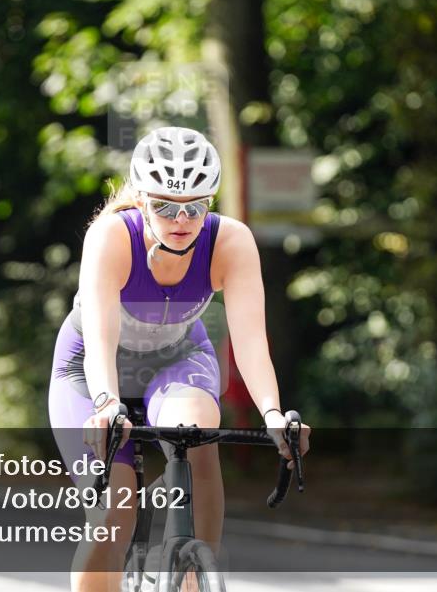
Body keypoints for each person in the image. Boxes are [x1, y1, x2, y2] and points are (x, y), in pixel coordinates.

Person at [47, 126, 311, 592]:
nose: (181, 218)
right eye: (165, 206)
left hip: (177, 358)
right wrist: (107, 404)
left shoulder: (231, 241)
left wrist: (273, 412)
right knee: (115, 510)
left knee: (196, 432)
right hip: (91, 368)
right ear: (141, 199)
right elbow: (102, 343)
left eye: (195, 205)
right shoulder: (111, 237)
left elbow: (251, 342)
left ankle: (192, 572)